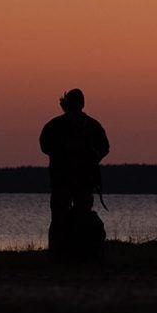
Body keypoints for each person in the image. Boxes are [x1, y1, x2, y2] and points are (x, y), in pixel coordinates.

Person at [39, 87, 110, 245]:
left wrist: (91, 157)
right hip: (64, 180)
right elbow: (44, 145)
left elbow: (104, 148)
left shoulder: (58, 125)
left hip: (80, 181)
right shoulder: (58, 125)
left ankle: (74, 253)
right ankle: (61, 254)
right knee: (61, 217)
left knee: (77, 217)